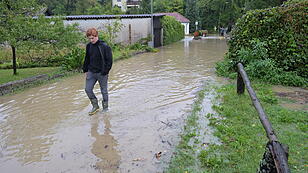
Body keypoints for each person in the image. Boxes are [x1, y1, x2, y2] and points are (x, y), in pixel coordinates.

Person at [83, 28, 113, 115]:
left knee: (103, 90)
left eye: (93, 38)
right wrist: (85, 69)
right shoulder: (88, 46)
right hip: (91, 72)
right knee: (87, 89)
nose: (91, 40)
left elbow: (109, 61)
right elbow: (87, 58)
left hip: (102, 72)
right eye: (89, 38)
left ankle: (105, 108)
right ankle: (95, 106)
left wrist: (105, 71)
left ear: (97, 36)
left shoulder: (104, 46)